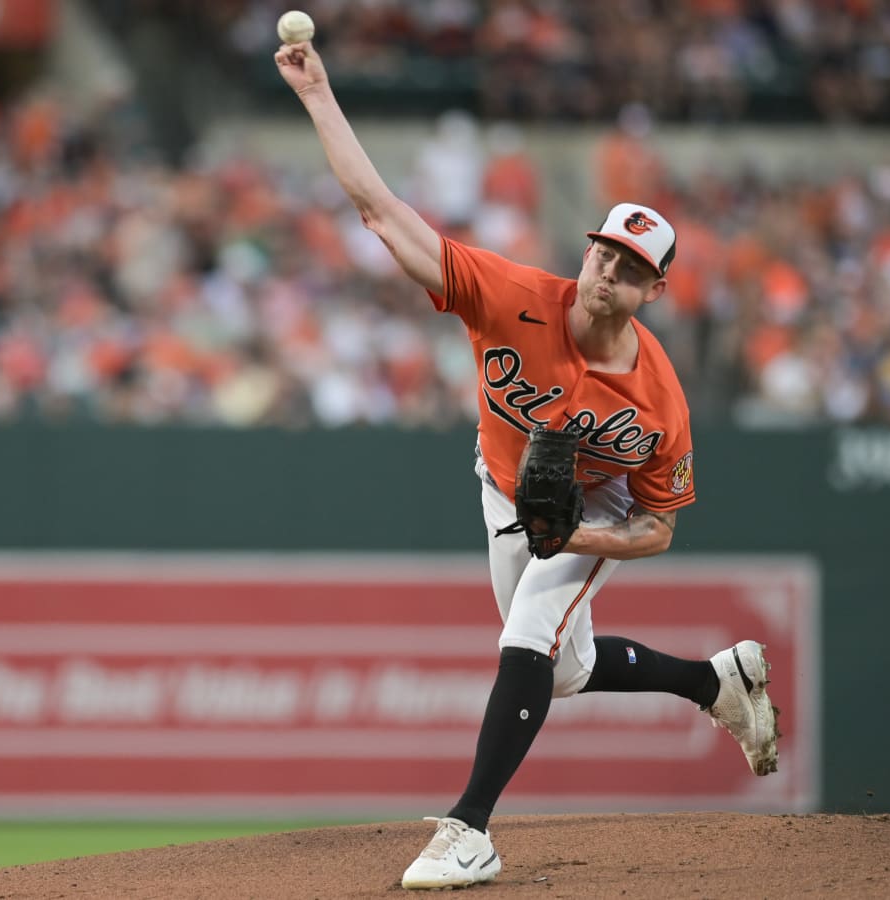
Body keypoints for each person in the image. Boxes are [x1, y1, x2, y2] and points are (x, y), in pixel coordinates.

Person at [275, 38, 780, 892]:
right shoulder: (510, 296)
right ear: (587, 250)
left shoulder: (659, 401)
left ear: (653, 292)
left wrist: (580, 533)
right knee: (566, 667)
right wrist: (319, 93)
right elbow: (382, 213)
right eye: (603, 254)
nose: (607, 274)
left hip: (598, 508)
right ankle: (715, 682)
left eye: (630, 271)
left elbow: (658, 527)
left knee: (525, 636)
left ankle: (469, 827)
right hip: (499, 484)